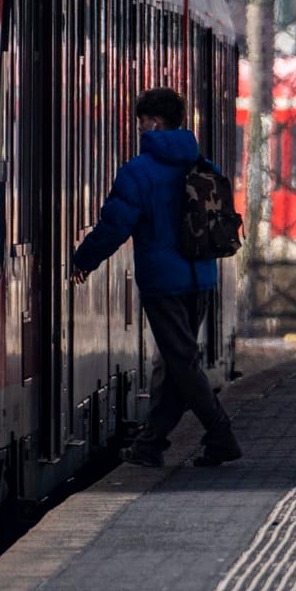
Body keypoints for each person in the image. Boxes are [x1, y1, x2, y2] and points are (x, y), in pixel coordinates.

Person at [69, 87, 241, 468]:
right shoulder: (202, 163)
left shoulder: (138, 172)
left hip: (163, 283)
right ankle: (150, 445)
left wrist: (84, 259)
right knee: (174, 364)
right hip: (201, 277)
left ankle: (221, 434)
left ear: (155, 123)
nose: (139, 128)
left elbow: (115, 225)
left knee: (182, 363)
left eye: (141, 121)